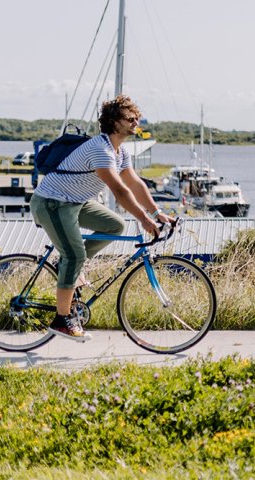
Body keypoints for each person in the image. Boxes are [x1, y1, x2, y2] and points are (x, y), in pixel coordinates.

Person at [30, 95, 174, 341]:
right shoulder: (100, 149)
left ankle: (68, 268)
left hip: (76, 202)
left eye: (136, 117)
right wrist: (143, 219)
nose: (135, 122)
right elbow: (120, 190)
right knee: (74, 255)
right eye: (130, 118)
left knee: (115, 224)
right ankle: (62, 320)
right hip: (52, 202)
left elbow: (135, 183)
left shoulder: (120, 151)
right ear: (114, 122)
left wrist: (156, 212)